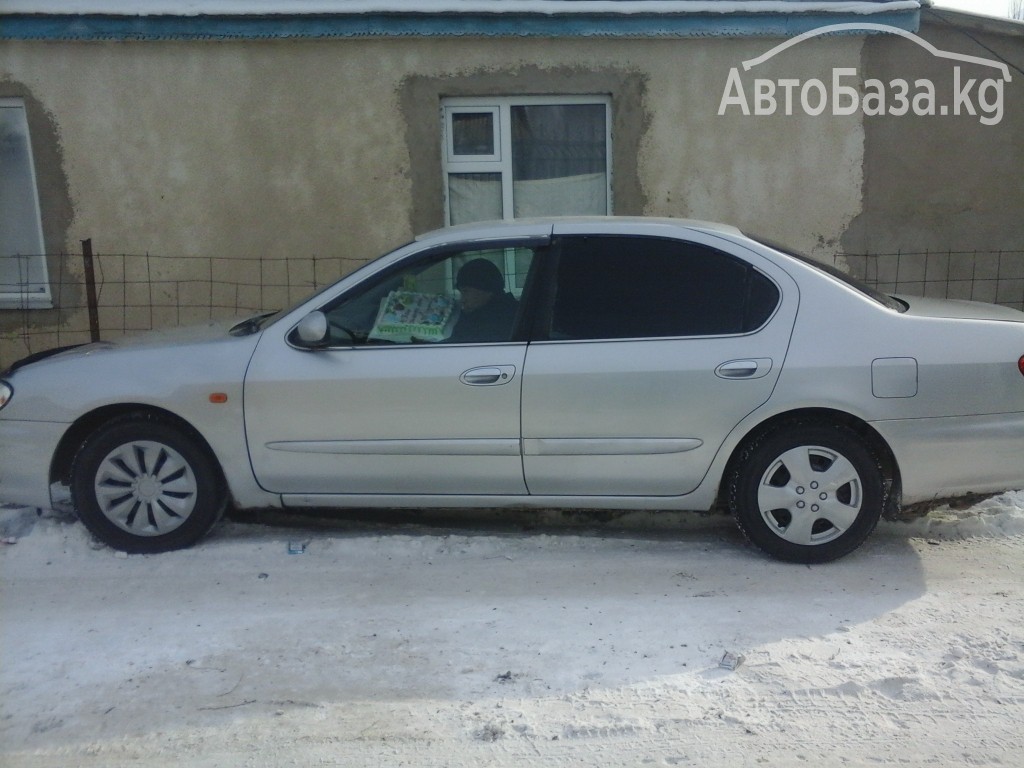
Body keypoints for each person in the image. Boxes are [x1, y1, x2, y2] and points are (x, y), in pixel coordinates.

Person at [447, 259, 519, 343]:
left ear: (486, 289)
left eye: (465, 291)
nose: (462, 300)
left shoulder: (498, 320)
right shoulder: (479, 313)